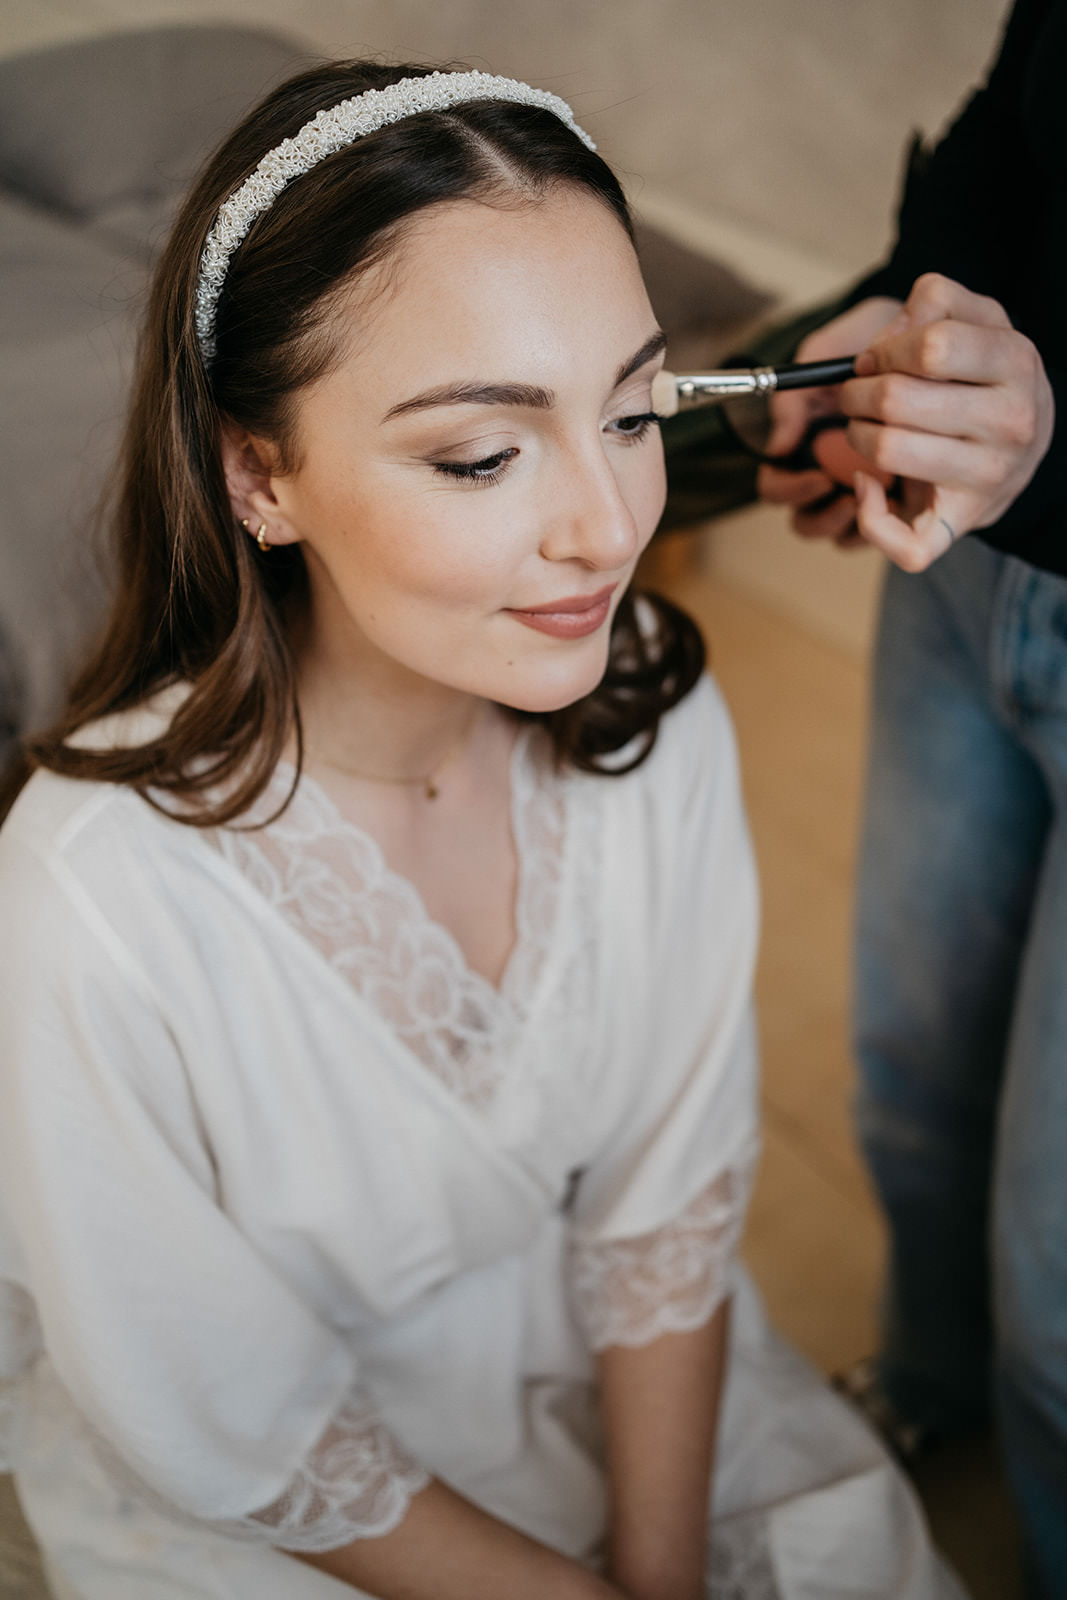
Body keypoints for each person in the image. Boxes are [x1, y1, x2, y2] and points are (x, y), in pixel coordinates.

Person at [0, 59, 962, 1600]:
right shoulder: (90, 903)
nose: (607, 525)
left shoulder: (653, 721)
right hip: (293, 1511)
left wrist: (655, 1574)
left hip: (606, 1378)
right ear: (260, 474)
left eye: (637, 412)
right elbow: (221, 1411)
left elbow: (664, 1200)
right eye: (482, 456)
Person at [756, 2, 1066, 1592]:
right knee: (909, 1060)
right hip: (961, 576)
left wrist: (1055, 445)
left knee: (1062, 1274)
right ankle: (932, 1385)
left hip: (1033, 497)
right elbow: (1024, 107)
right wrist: (904, 299)